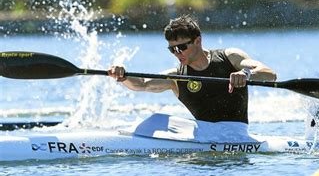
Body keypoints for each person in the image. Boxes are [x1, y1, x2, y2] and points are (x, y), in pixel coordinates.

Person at [108, 15, 276, 124]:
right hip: (204, 137)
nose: (176, 53)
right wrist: (123, 76)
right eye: (172, 49)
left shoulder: (230, 57)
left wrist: (246, 73)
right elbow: (142, 84)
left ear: (197, 41)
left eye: (181, 47)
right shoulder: (177, 77)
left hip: (238, 134)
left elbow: (269, 73)